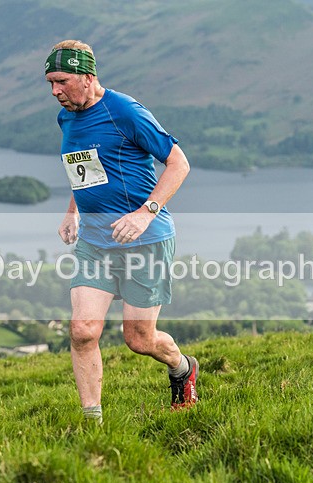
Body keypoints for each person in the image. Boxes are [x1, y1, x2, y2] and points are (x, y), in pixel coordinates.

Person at [45, 40, 198, 424]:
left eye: (61, 81)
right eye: (49, 83)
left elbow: (179, 164)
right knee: (82, 330)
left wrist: (145, 214)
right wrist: (72, 211)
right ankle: (92, 425)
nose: (55, 92)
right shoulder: (66, 117)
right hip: (95, 243)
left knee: (139, 340)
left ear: (87, 76)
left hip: (145, 240)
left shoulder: (125, 111)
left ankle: (183, 368)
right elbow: (86, 170)